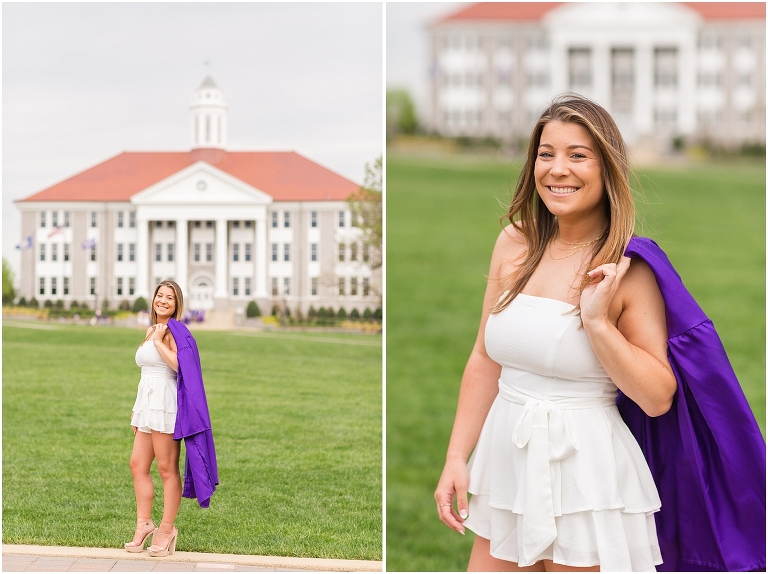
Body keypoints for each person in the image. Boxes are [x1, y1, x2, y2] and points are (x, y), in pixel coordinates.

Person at [434, 94, 765, 572]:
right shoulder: (513, 242)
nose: (557, 169)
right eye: (546, 154)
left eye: (578, 155)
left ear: (607, 168)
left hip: (587, 480)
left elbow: (657, 396)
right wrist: (456, 457)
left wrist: (597, 323)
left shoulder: (629, 270)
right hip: (507, 460)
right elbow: (485, 357)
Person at [125, 280, 184, 556]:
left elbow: (178, 365)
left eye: (169, 298)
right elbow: (146, 372)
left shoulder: (174, 331)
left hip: (165, 404)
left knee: (166, 468)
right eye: (159, 295)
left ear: (176, 304)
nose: (162, 300)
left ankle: (166, 528)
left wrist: (160, 341)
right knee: (137, 465)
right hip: (147, 403)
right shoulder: (152, 329)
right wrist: (138, 408)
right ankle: (144, 523)